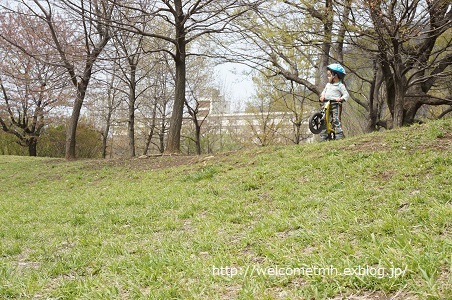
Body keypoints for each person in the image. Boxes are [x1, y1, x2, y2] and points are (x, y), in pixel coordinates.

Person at [319, 63, 349, 141]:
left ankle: (339, 134)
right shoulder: (328, 85)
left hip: (335, 104)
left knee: (336, 119)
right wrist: (322, 96)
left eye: (329, 75)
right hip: (327, 103)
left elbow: (346, 94)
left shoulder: (340, 85)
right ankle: (324, 135)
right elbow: (323, 92)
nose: (328, 77)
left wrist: (341, 99)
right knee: (324, 119)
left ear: (335, 76)